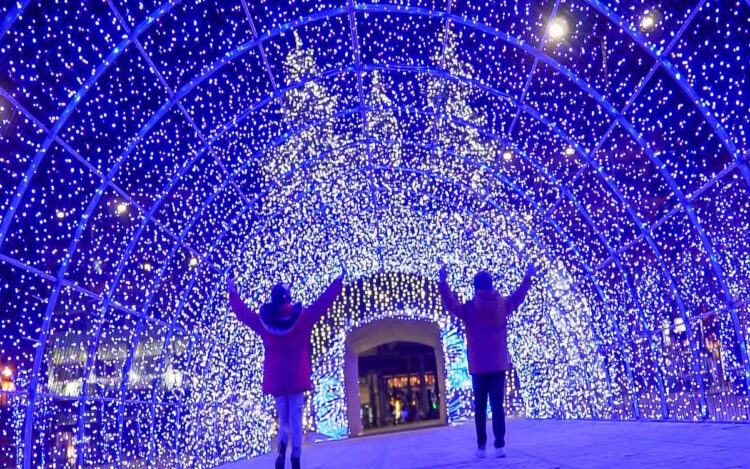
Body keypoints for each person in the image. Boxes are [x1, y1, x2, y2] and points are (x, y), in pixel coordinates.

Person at [227, 271, 344, 469]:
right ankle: (295, 457)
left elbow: (243, 314)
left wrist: (232, 291)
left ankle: (282, 447)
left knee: (284, 419)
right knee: (296, 417)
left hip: (277, 379)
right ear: (288, 298)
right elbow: (323, 303)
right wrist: (337, 283)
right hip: (296, 376)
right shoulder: (303, 318)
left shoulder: (265, 323)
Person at [438, 263, 537, 459]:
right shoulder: (502, 306)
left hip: (479, 366)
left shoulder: (469, 308)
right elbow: (518, 297)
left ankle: (481, 447)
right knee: (498, 406)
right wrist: (527, 277)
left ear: (476, 287)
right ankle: (500, 446)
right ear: (491, 285)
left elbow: (451, 305)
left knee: (480, 407)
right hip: (498, 364)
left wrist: (443, 282)